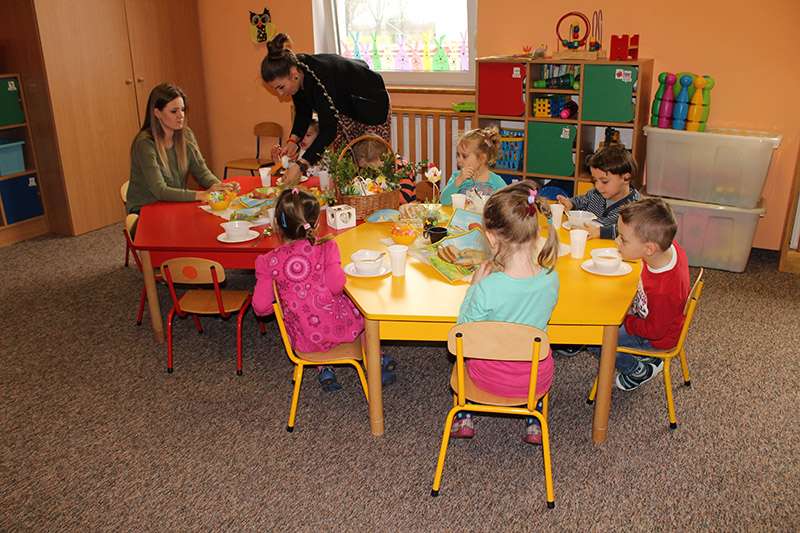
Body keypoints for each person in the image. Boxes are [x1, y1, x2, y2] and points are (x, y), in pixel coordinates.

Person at [251, 188, 395, 391]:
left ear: (277, 224)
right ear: (316, 223)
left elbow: (260, 307)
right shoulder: (327, 247)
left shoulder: (267, 261)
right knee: (363, 312)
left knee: (308, 314)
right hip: (339, 329)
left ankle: (324, 367)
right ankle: (374, 359)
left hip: (305, 339)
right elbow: (336, 286)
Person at [450, 181, 560, 444]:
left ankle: (464, 414)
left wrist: (473, 288)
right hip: (535, 379)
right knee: (534, 349)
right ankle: (534, 418)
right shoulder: (551, 278)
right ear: (535, 234)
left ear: (491, 237)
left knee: (464, 357)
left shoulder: (487, 288)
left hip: (489, 379)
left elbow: (462, 332)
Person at [260, 33, 391, 186]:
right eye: (276, 89)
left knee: (370, 166)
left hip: (371, 105)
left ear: (294, 74)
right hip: (346, 108)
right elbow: (303, 112)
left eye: (281, 87)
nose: (280, 94)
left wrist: (301, 165)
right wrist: (293, 141)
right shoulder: (297, 72)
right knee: (346, 168)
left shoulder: (320, 78)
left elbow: (329, 130)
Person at [603, 198, 690, 391]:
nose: (617, 242)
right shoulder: (668, 249)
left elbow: (655, 331)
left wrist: (625, 320)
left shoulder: (664, 290)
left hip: (656, 338)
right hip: (650, 315)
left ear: (649, 249)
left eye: (623, 239)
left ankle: (637, 370)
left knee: (598, 337)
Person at [126, 83, 232, 214]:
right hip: (145, 210)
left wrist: (221, 187)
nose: (181, 115)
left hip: (172, 204)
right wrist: (201, 195)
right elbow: (160, 191)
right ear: (157, 113)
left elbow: (202, 172)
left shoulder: (186, 135)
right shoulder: (145, 143)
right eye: (174, 111)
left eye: (182, 109)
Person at [555, 143, 641, 240]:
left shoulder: (636, 206)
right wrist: (570, 203)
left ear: (626, 178)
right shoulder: (596, 194)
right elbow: (581, 201)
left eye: (604, 181)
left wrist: (602, 232)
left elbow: (632, 230)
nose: (597, 186)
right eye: (595, 180)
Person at [438, 127, 508, 206]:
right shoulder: (457, 177)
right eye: (458, 155)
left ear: (482, 158)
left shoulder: (496, 182)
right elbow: (444, 201)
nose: (459, 159)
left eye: (464, 156)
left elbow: (506, 205)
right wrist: (458, 181)